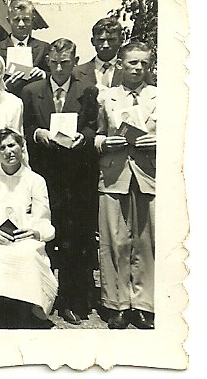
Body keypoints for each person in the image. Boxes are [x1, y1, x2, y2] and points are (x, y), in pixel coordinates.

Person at [21, 39, 99, 325]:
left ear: (75, 61)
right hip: (44, 176)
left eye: (65, 63)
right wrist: (39, 133)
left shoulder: (87, 91)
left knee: (72, 239)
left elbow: (92, 125)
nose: (59, 68)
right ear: (47, 62)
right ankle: (40, 296)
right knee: (42, 236)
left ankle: (69, 299)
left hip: (75, 178)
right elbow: (26, 127)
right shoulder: (31, 92)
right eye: (53, 63)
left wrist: (84, 137)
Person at [0, 128, 57, 329]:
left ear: (22, 147)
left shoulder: (35, 180)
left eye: (12, 145)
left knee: (28, 254)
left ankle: (25, 309)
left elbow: (44, 221)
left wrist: (33, 232)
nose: (8, 151)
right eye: (2, 148)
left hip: (24, 236)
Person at [95, 42, 156, 329]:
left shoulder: (160, 97)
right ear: (120, 64)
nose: (138, 68)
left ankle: (143, 304)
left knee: (145, 241)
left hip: (148, 174)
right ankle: (117, 304)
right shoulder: (106, 97)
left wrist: (160, 141)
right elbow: (95, 133)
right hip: (114, 174)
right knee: (114, 241)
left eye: (144, 63)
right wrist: (104, 142)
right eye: (132, 63)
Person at [0, 0, 49, 98]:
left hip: (35, 102)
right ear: (8, 21)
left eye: (26, 20)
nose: (21, 24)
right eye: (16, 20)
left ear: (32, 20)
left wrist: (43, 74)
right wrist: (4, 86)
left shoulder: (43, 48)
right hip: (7, 101)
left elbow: (54, 76)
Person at [73, 17, 124, 91]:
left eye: (111, 40)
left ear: (121, 41)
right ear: (93, 41)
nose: (105, 45)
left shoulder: (130, 71)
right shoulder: (76, 73)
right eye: (101, 40)